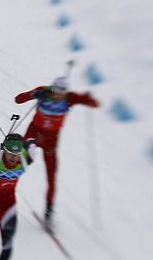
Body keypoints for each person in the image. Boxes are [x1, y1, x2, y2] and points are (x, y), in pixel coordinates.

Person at [15, 76, 99, 228]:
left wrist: (88, 98)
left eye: (61, 92)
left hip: (51, 141)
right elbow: (18, 99)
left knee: (52, 176)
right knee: (16, 163)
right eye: (55, 91)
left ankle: (48, 213)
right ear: (52, 88)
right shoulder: (43, 91)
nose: (58, 95)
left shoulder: (70, 98)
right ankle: (0, 194)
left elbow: (94, 104)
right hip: (33, 134)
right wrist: (32, 95)